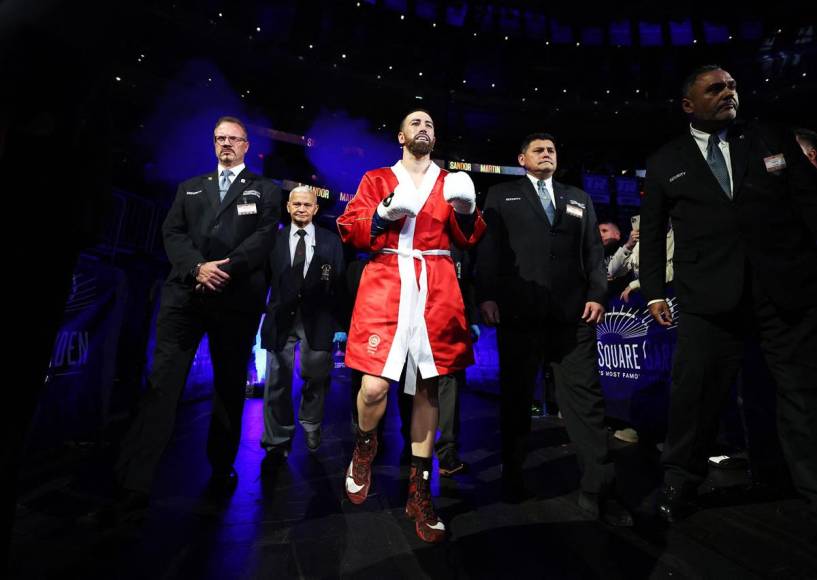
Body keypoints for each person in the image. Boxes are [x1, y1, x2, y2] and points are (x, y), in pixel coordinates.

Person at [640, 65, 817, 523]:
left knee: (799, 390)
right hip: (707, 298)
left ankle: (806, 482)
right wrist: (656, 293)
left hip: (783, 290)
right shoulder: (665, 160)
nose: (728, 93)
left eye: (732, 86)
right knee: (695, 396)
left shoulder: (770, 139)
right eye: (715, 88)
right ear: (688, 105)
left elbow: (809, 203)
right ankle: (680, 482)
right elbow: (654, 233)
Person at [107, 116, 281, 520]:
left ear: (246, 146)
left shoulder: (265, 189)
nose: (226, 145)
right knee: (161, 386)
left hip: (235, 301)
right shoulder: (190, 187)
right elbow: (173, 234)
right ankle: (135, 479)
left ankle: (221, 469)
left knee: (227, 389)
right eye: (220, 138)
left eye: (233, 139)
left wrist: (224, 269)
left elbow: (262, 238)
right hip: (184, 297)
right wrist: (197, 268)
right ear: (213, 143)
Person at [337, 109, 486, 543]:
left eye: (431, 125)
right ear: (401, 135)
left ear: (435, 138)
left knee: (428, 387)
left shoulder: (449, 182)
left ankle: (419, 489)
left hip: (436, 282)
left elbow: (469, 238)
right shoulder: (377, 178)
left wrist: (467, 210)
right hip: (386, 281)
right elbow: (350, 227)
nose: (424, 128)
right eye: (415, 123)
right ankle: (366, 444)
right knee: (374, 387)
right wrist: (383, 215)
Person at [476, 133, 632, 526]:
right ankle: (513, 477)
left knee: (586, 403)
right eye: (538, 150)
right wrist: (487, 296)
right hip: (519, 315)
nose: (547, 154)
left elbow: (594, 255)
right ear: (522, 158)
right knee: (515, 401)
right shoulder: (500, 194)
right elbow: (489, 249)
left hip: (573, 318)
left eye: (552, 150)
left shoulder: (578, 197)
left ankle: (600, 489)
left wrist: (598, 293)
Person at [260, 186, 344, 458]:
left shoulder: (331, 241)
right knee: (277, 382)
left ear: (315, 209)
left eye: (307, 205)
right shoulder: (272, 239)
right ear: (288, 206)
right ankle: (276, 439)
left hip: (318, 319)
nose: (301, 209)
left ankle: (311, 423)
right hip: (280, 318)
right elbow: (261, 279)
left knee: (315, 376)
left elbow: (340, 285)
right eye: (296, 203)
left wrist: (340, 325)